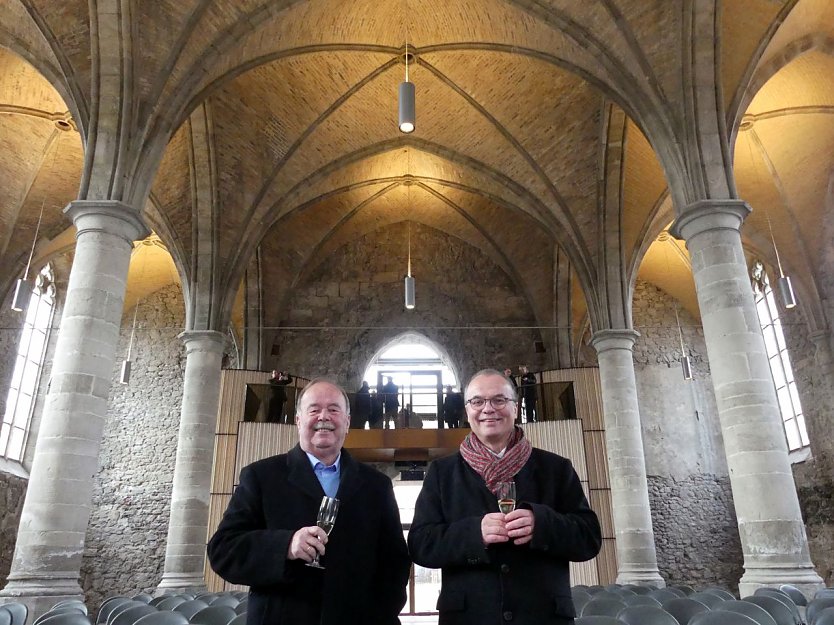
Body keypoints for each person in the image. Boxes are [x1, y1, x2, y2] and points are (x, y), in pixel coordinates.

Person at [207, 378, 411, 625]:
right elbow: (223, 551)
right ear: (298, 420)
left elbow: (395, 561)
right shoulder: (261, 476)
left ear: (347, 422)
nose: (324, 416)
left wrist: (381, 613)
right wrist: (286, 546)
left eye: (334, 410)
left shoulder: (377, 485)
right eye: (314, 409)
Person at [408, 369, 601, 625]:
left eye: (499, 400)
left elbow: (589, 539)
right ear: (467, 411)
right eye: (477, 401)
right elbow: (421, 545)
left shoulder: (556, 468)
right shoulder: (442, 473)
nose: (488, 408)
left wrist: (542, 524)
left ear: (516, 407)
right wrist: (474, 534)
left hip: (542, 616)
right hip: (468, 618)